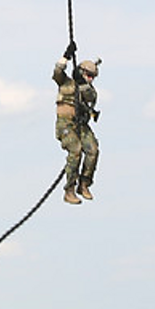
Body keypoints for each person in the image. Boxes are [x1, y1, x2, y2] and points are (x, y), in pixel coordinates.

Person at [53, 54, 100, 204]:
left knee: (93, 150)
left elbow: (91, 97)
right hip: (66, 124)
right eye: (88, 75)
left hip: (81, 125)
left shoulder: (88, 89)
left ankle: (84, 183)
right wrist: (65, 57)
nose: (90, 79)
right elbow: (57, 73)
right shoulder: (65, 83)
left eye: (93, 77)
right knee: (76, 150)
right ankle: (69, 189)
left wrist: (83, 85)